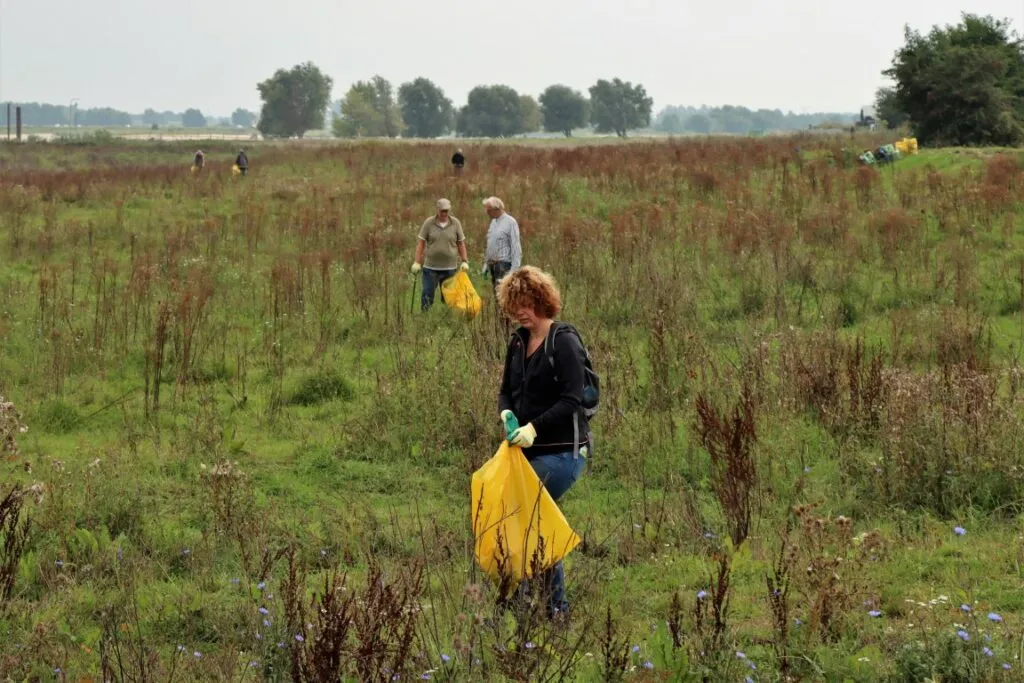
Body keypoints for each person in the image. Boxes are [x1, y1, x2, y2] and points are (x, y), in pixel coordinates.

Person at [496, 266, 588, 618]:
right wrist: (507, 414)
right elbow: (506, 391)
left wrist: (534, 427)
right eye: (514, 305)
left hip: (563, 453)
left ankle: (551, 606)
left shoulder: (563, 342)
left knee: (529, 513)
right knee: (526, 517)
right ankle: (532, 601)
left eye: (527, 303)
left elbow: (572, 399)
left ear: (542, 301)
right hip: (524, 452)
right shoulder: (518, 342)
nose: (521, 312)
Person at [411, 198, 469, 311]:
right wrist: (416, 262)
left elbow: (461, 243)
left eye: (446, 211)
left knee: (448, 297)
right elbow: (421, 243)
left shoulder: (455, 223)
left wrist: (464, 260)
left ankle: (447, 317)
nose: (444, 213)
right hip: (431, 268)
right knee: (427, 294)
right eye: (442, 211)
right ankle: (425, 316)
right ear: (437, 210)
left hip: (450, 268)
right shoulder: (429, 223)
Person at [482, 196, 522, 292]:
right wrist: (486, 265)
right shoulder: (493, 223)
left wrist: (514, 271)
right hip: (493, 265)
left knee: (503, 295)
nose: (487, 213)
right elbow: (490, 244)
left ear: (497, 209)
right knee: (496, 294)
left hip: (504, 265)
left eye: (489, 210)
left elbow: (516, 247)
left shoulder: (510, 222)